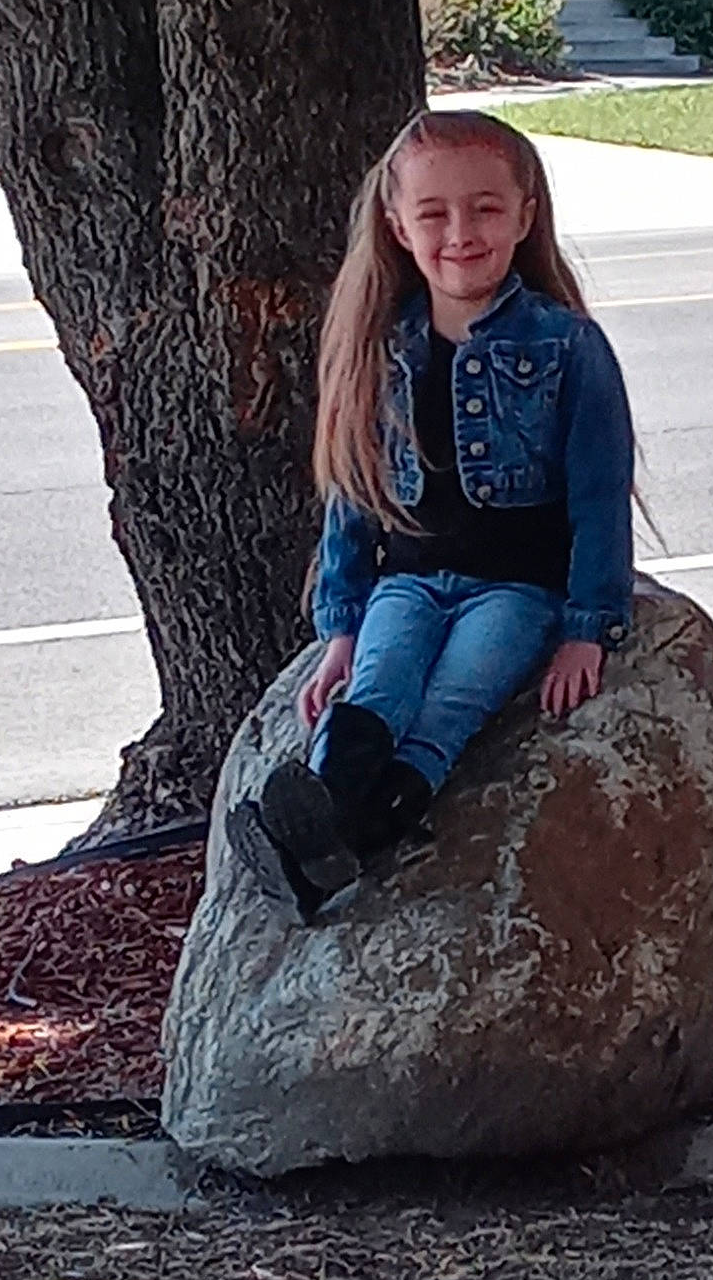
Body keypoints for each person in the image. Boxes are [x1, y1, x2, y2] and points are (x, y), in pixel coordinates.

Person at [227, 108, 636, 920]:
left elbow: (599, 495)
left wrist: (587, 627)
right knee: (377, 688)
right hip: (406, 585)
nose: (461, 232)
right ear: (397, 224)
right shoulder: (381, 347)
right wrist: (340, 625)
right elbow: (353, 493)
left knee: (450, 703)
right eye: (434, 213)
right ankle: (317, 829)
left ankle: (326, 846)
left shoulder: (567, 347)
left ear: (526, 214)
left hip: (516, 592)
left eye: (486, 208)